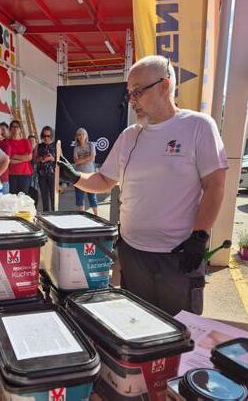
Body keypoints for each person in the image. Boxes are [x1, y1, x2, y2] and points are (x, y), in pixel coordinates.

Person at [58, 55, 228, 316]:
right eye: (130, 93)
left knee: (179, 328)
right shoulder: (129, 136)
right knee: (138, 323)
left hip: (178, 255)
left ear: (164, 86)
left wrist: (200, 236)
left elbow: (215, 184)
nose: (132, 100)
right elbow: (104, 181)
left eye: (138, 91)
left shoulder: (198, 126)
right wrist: (74, 177)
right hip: (132, 253)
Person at [73, 127, 98, 215]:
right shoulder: (76, 148)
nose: (81, 136)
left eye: (83, 134)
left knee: (92, 197)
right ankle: (82, 217)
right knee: (79, 197)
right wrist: (87, 158)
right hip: (79, 175)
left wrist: (81, 159)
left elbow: (92, 158)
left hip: (90, 175)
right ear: (77, 137)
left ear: (86, 135)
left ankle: (97, 216)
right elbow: (76, 161)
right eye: (79, 134)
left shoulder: (91, 145)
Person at [6, 120, 33, 195]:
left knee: (23, 197)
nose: (15, 129)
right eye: (13, 127)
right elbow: (9, 160)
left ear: (20, 129)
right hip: (12, 174)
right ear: (10, 129)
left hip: (25, 174)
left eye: (17, 127)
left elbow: (29, 157)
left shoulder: (25, 141)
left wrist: (15, 156)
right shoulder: (7, 142)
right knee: (13, 197)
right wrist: (23, 158)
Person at [35, 127, 55, 211]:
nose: (46, 137)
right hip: (41, 175)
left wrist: (52, 158)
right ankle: (46, 214)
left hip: (53, 175)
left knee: (54, 196)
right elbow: (34, 160)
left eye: (48, 136)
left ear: (51, 136)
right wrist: (41, 159)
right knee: (44, 196)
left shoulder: (56, 145)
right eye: (44, 135)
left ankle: (55, 214)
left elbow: (61, 160)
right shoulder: (39, 146)